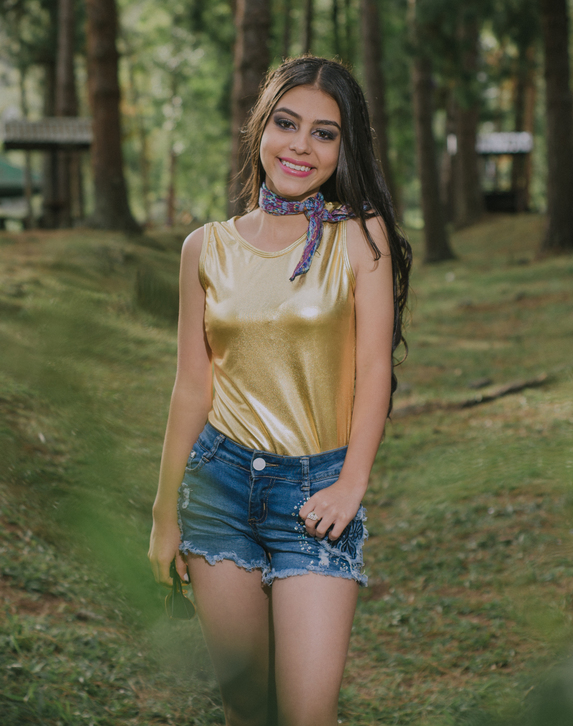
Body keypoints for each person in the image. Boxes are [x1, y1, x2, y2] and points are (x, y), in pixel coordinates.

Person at [148, 56, 412, 726]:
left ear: (345, 146)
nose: (300, 145)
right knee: (246, 709)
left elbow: (375, 369)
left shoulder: (360, 236)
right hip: (219, 488)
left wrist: (353, 483)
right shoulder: (204, 248)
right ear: (260, 128)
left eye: (324, 133)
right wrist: (163, 512)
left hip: (316, 493)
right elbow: (192, 384)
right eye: (286, 124)